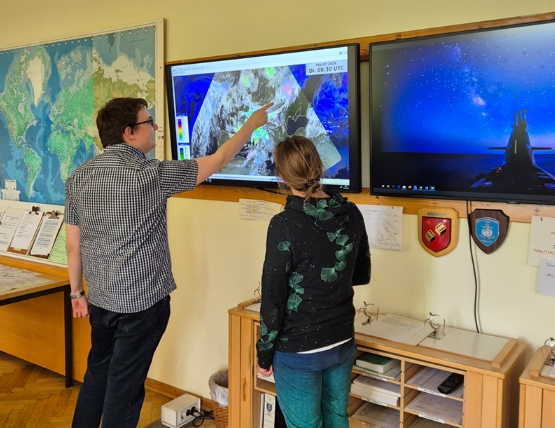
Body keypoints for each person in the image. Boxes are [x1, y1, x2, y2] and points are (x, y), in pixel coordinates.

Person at [65, 97, 272, 428]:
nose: (156, 127)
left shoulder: (80, 176)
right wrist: (251, 123)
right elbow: (218, 159)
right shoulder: (151, 174)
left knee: (97, 377)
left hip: (100, 300)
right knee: (124, 389)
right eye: (150, 122)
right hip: (141, 305)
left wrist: (77, 294)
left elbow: (73, 246)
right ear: (130, 132)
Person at [256, 136, 371, 428]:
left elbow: (273, 297)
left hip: (299, 347)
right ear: (319, 166)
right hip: (342, 338)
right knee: (336, 420)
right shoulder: (351, 211)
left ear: (281, 177)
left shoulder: (284, 224)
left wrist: (264, 354)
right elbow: (361, 274)